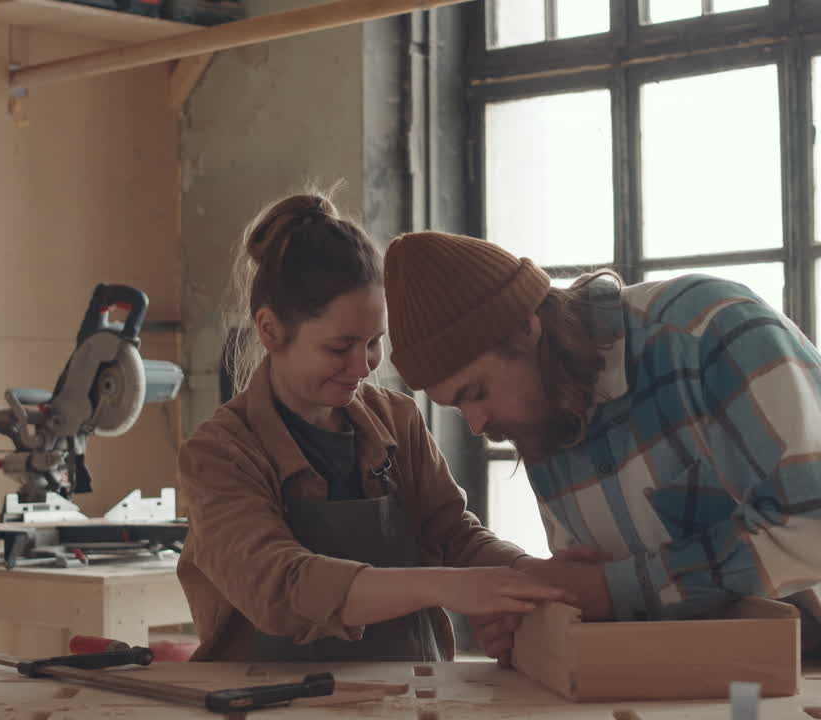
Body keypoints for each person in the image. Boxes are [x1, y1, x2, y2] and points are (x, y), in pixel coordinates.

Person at [381, 230, 821, 706]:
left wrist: (612, 591)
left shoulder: (709, 330)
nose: (476, 424)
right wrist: (541, 620)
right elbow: (648, 598)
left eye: (473, 393)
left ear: (525, 330)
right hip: (754, 678)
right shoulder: (542, 424)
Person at [175, 196, 569, 662]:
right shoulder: (219, 452)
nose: (363, 366)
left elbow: (453, 535)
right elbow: (279, 586)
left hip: (408, 691)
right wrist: (442, 585)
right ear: (269, 330)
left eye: (374, 343)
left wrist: (534, 576)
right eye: (340, 347)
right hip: (268, 700)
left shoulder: (397, 420)